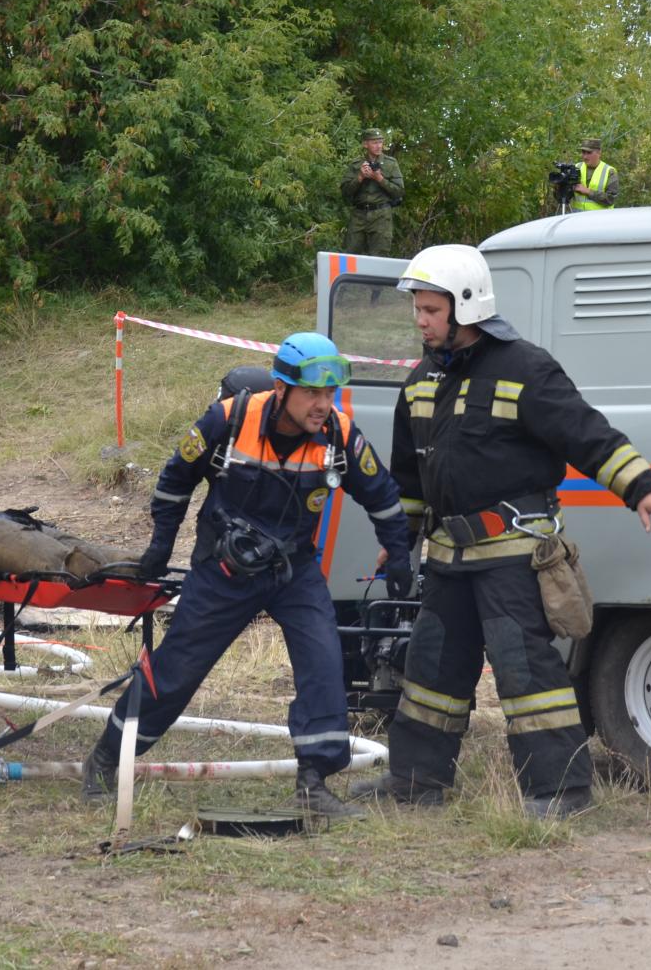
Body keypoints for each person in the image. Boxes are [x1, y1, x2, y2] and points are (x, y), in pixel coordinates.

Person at [353, 244, 651, 819]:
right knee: (431, 669)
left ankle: (560, 792)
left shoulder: (525, 368)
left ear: (465, 308)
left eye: (431, 310)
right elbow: (410, 475)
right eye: (418, 310)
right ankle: (415, 781)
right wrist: (397, 539)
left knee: (527, 675)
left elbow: (586, 434)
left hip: (512, 555)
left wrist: (642, 486)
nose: (421, 321)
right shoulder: (422, 380)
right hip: (449, 557)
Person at [81, 332, 413, 817]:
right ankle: (108, 758)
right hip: (222, 571)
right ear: (282, 390)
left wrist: (398, 557)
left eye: (328, 394)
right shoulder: (228, 420)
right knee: (175, 671)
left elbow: (382, 496)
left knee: (324, 664)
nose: (323, 405)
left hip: (294, 572)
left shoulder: (339, 435)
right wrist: (160, 548)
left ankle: (314, 783)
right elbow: (175, 480)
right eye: (312, 394)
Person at [341, 128, 405, 254]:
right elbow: (345, 192)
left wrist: (380, 179)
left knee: (379, 257)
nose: (378, 146)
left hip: (381, 216)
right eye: (374, 142)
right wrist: (359, 178)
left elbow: (399, 191)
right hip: (359, 215)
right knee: (351, 255)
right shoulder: (356, 164)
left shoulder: (390, 164)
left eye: (380, 142)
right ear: (366, 144)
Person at [573, 138, 617, 210]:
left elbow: (611, 199)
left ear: (599, 153)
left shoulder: (609, 171)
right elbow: (567, 197)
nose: (585, 157)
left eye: (589, 153)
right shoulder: (576, 167)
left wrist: (588, 191)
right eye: (583, 152)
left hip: (599, 218)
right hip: (578, 217)